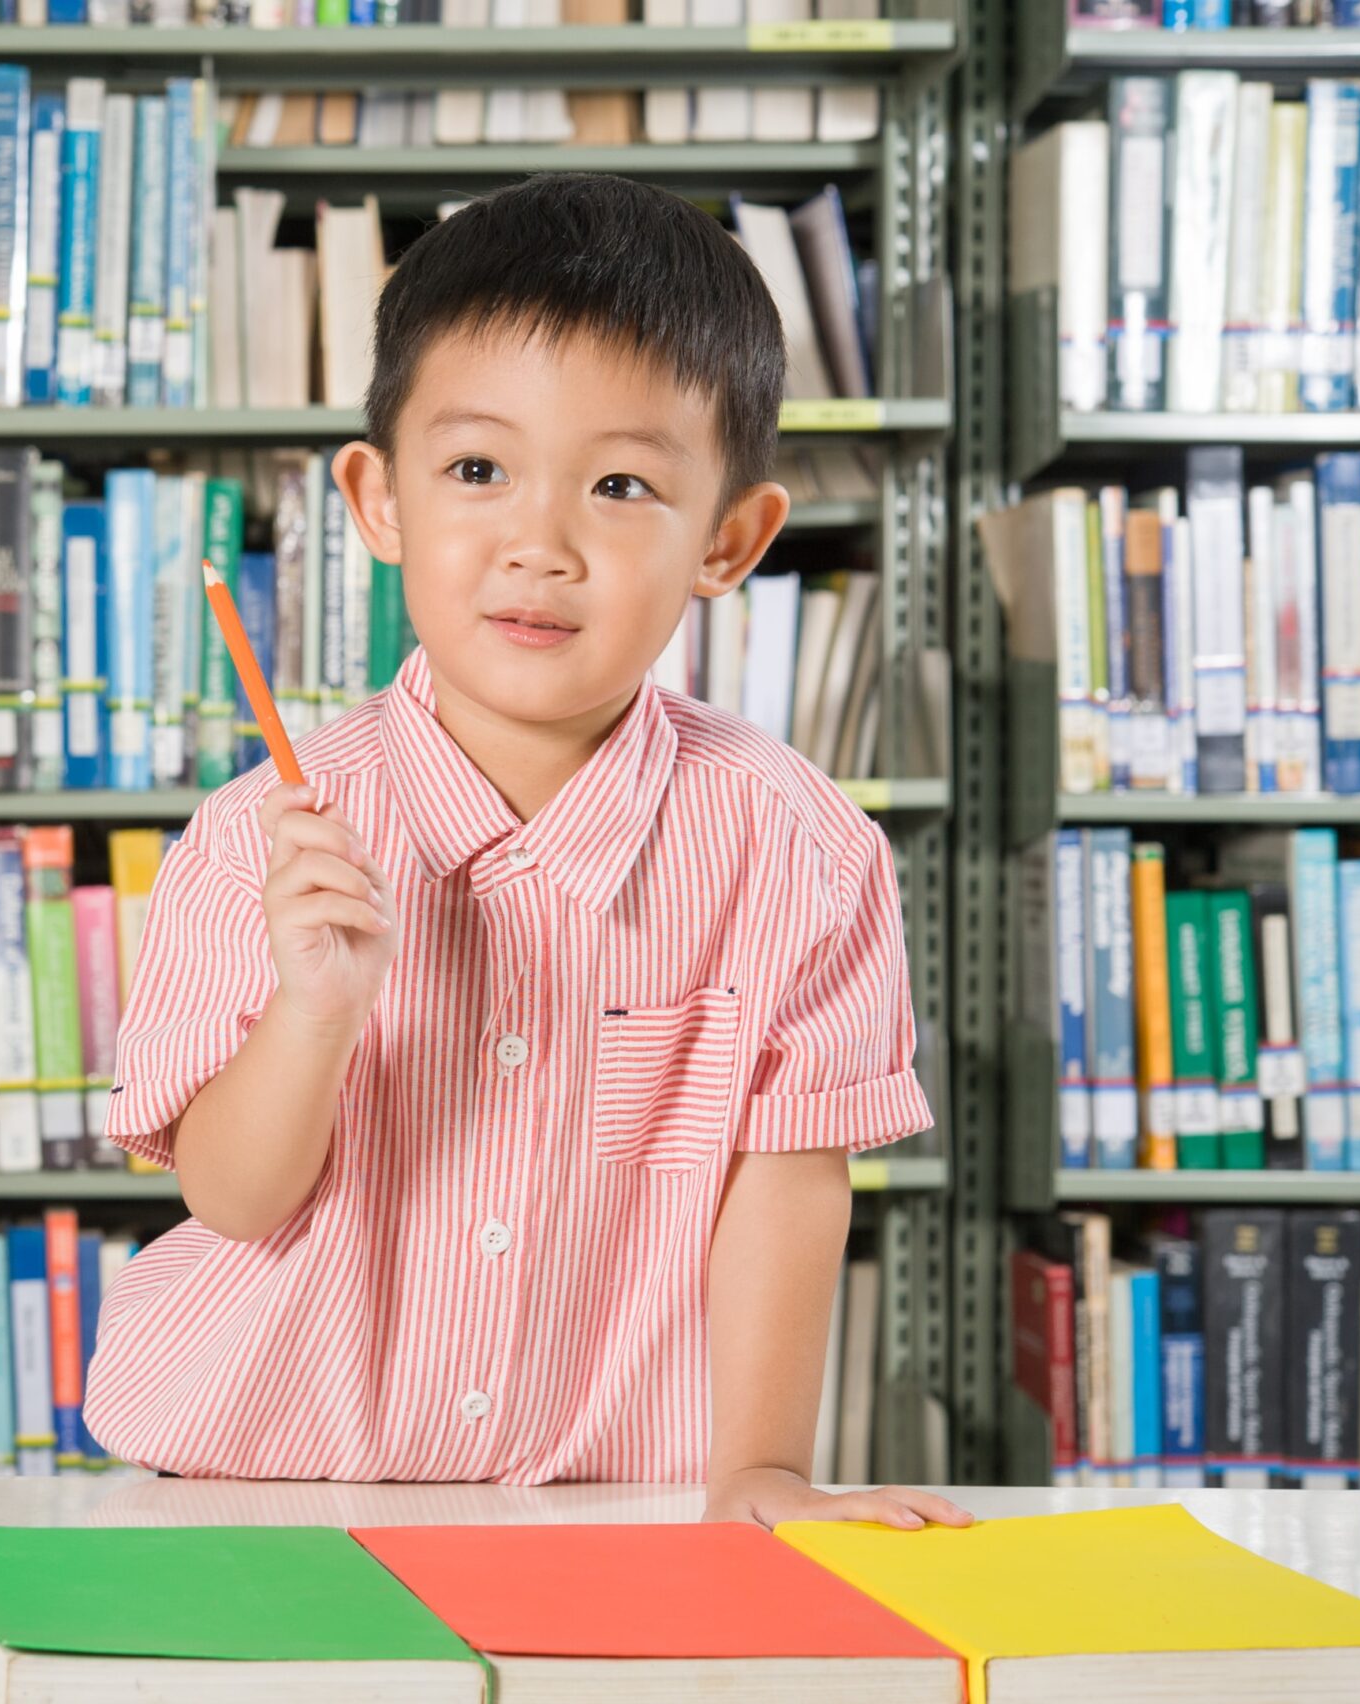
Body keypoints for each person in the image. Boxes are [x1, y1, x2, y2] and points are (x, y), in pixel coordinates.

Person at [84, 173, 969, 1530]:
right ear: (380, 502)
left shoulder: (800, 848)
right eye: (478, 470)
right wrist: (316, 1012)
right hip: (257, 1491)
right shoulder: (248, 837)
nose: (538, 547)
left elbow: (790, 1184)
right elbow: (231, 1196)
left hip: (614, 1503)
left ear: (728, 540)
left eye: (620, 485)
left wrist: (766, 1473)